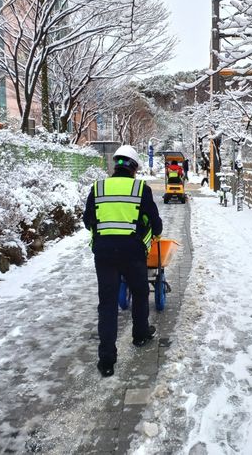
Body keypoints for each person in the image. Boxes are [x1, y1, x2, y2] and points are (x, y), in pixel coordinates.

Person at [83, 145, 163, 377]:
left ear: (115, 165)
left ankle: (106, 360)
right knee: (139, 293)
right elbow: (155, 223)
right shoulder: (140, 188)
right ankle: (140, 335)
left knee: (106, 303)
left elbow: (88, 220)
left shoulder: (97, 187)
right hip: (133, 252)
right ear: (134, 168)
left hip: (104, 253)